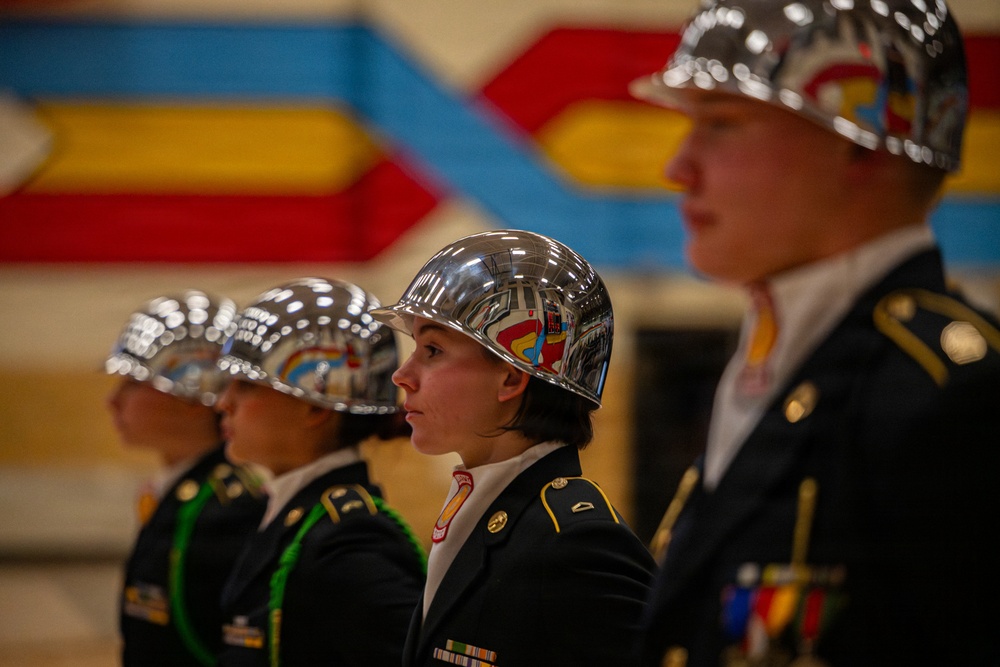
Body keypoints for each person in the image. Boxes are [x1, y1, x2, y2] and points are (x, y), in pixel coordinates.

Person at [629, 0, 1000, 665]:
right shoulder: (772, 364)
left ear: (857, 140)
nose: (678, 167)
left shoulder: (956, 399)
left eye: (720, 123)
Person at [371, 229, 657, 667]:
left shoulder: (576, 543)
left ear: (511, 376)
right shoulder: (485, 510)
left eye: (432, 349)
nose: (402, 375)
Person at [214, 276, 426, 667]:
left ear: (316, 406)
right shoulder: (296, 512)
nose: (223, 402)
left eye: (245, 385)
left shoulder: (351, 540)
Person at [106, 290, 267, 667]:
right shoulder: (181, 491)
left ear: (195, 393)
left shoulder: (227, 510)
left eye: (133, 382)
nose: (112, 402)